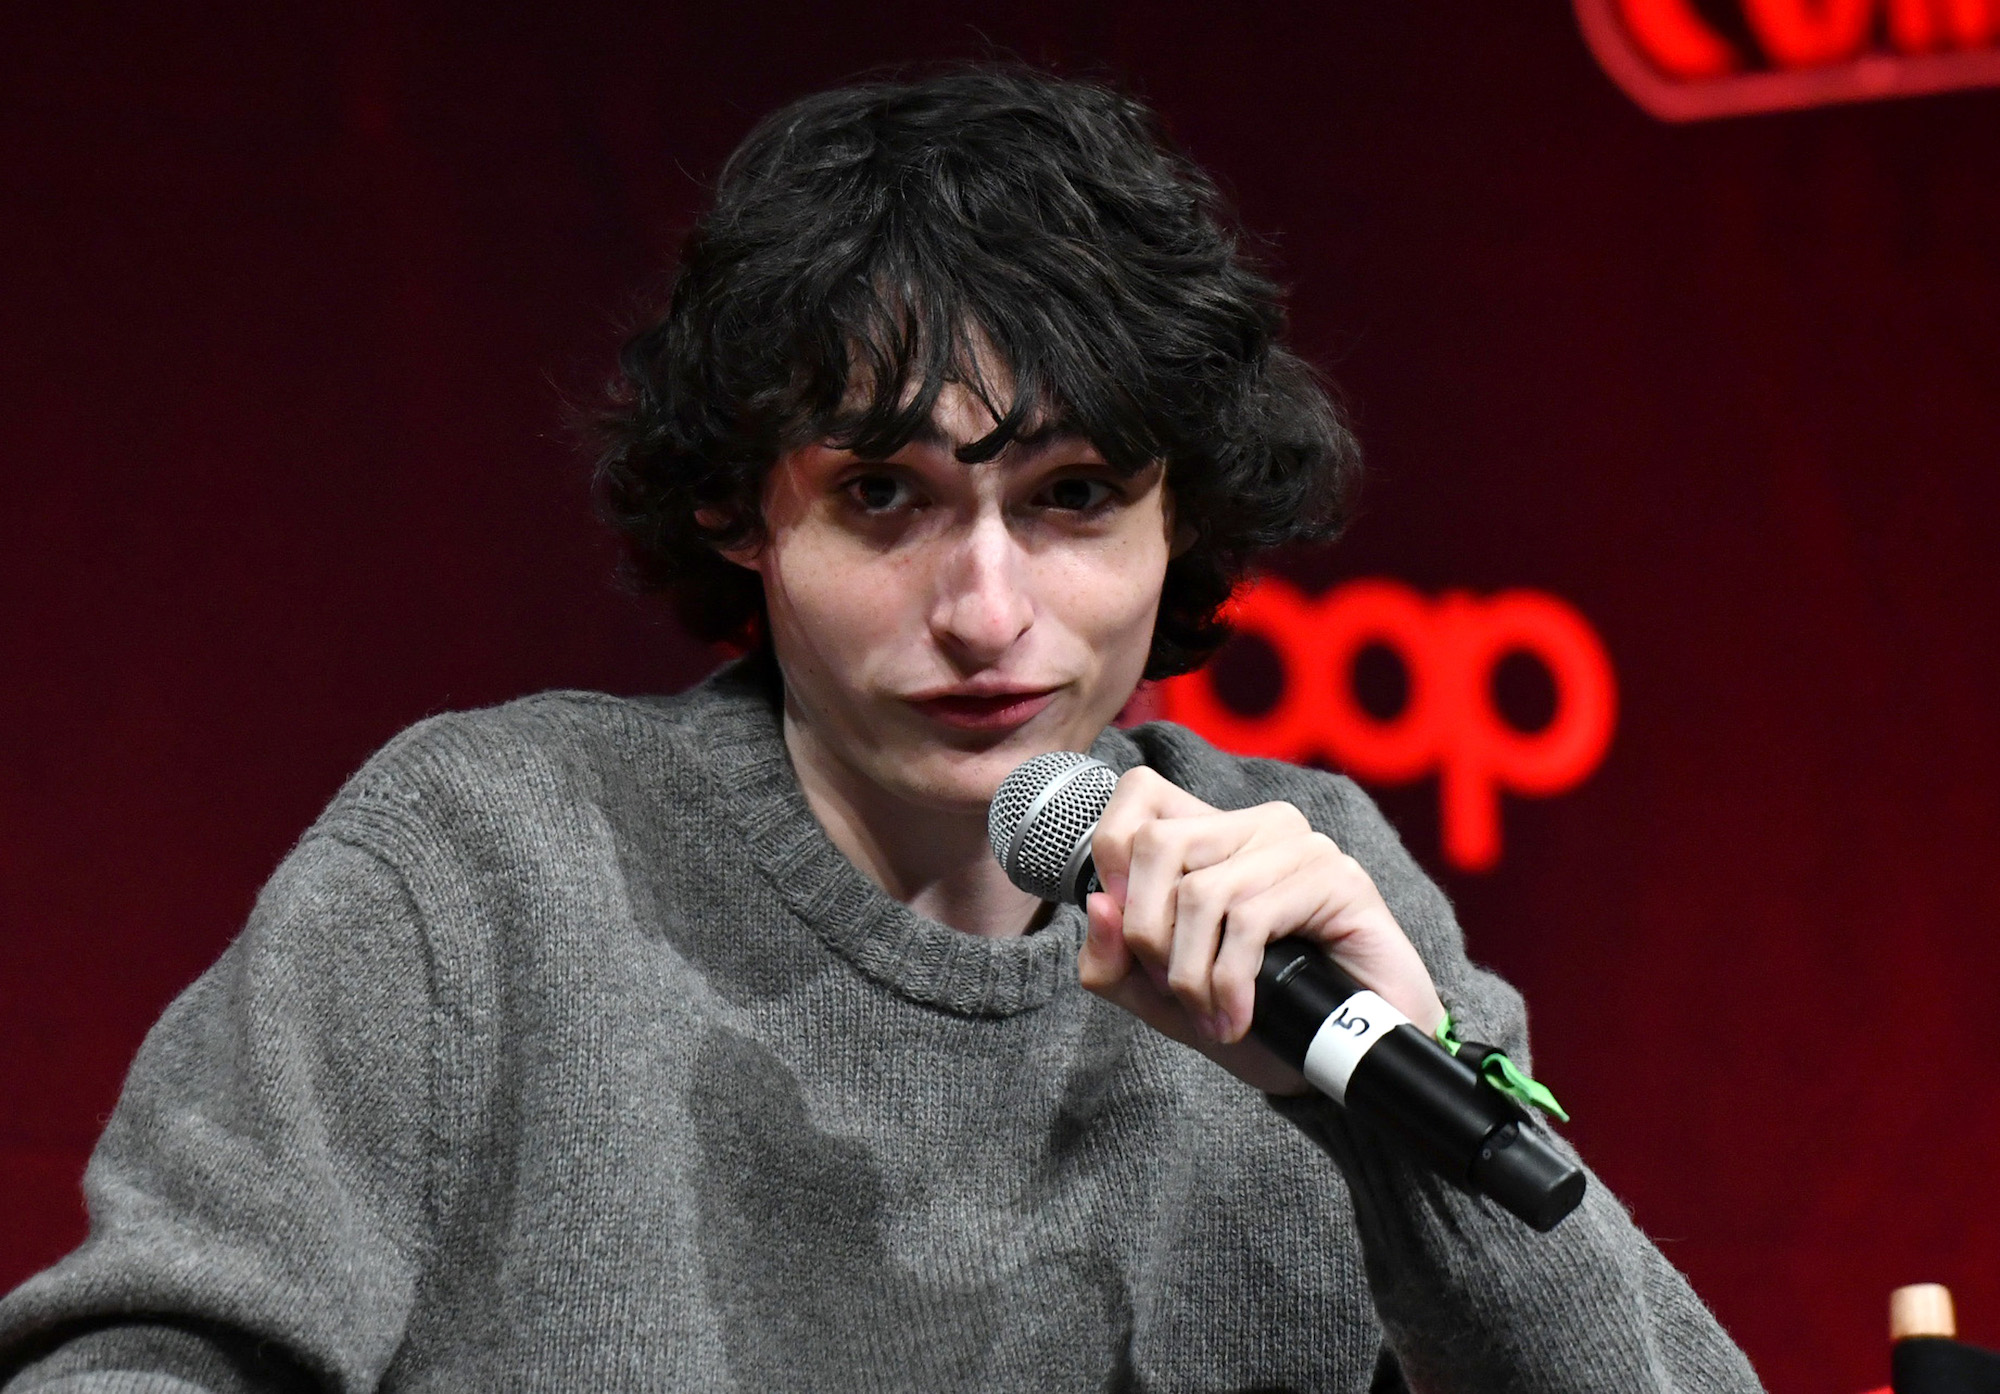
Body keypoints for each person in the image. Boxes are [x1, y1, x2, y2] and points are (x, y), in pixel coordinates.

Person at [0, 67, 1763, 1392]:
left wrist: (1409, 1090)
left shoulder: (1315, 884)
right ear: (741, 516)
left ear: (1184, 523)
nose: (987, 608)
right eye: (884, 493)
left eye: (1073, 494)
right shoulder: (481, 865)